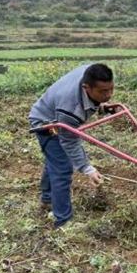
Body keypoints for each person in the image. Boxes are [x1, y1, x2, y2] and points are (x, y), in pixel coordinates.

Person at [29, 63, 114, 228]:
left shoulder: (92, 71)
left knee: (53, 160)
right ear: (86, 87)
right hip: (47, 122)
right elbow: (70, 141)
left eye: (111, 89)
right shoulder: (71, 109)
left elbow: (97, 88)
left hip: (57, 109)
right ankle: (63, 222)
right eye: (103, 92)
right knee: (62, 168)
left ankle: (47, 199)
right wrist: (87, 168)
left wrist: (100, 103)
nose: (109, 94)